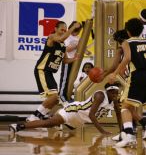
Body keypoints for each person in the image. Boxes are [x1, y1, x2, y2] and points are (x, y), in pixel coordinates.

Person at [9, 82, 121, 134]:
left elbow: (119, 114)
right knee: (48, 123)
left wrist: (123, 130)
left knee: (64, 131)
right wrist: (102, 131)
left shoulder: (115, 100)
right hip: (74, 111)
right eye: (113, 93)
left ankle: (55, 119)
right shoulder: (100, 95)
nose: (115, 95)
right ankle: (19, 126)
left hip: (79, 121)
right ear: (108, 91)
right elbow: (92, 115)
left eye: (116, 93)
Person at [26, 20, 81, 122]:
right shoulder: (52, 37)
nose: (64, 31)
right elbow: (61, 38)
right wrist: (73, 28)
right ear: (56, 29)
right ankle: (34, 116)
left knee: (56, 99)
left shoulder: (63, 45)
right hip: (42, 70)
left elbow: (64, 61)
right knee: (54, 96)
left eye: (65, 30)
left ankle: (40, 115)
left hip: (49, 72)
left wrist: (74, 59)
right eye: (62, 29)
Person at [108, 18, 146, 147]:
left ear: (128, 31)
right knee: (131, 106)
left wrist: (114, 73)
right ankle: (128, 132)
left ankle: (129, 135)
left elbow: (127, 58)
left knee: (124, 106)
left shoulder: (127, 42)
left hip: (138, 75)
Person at [59, 21, 82, 103]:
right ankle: (61, 95)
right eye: (74, 31)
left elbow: (81, 48)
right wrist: (76, 46)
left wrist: (85, 51)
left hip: (74, 61)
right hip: (67, 60)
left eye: (77, 32)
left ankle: (67, 96)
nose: (75, 34)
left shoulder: (78, 38)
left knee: (71, 79)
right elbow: (66, 49)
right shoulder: (67, 37)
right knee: (65, 78)